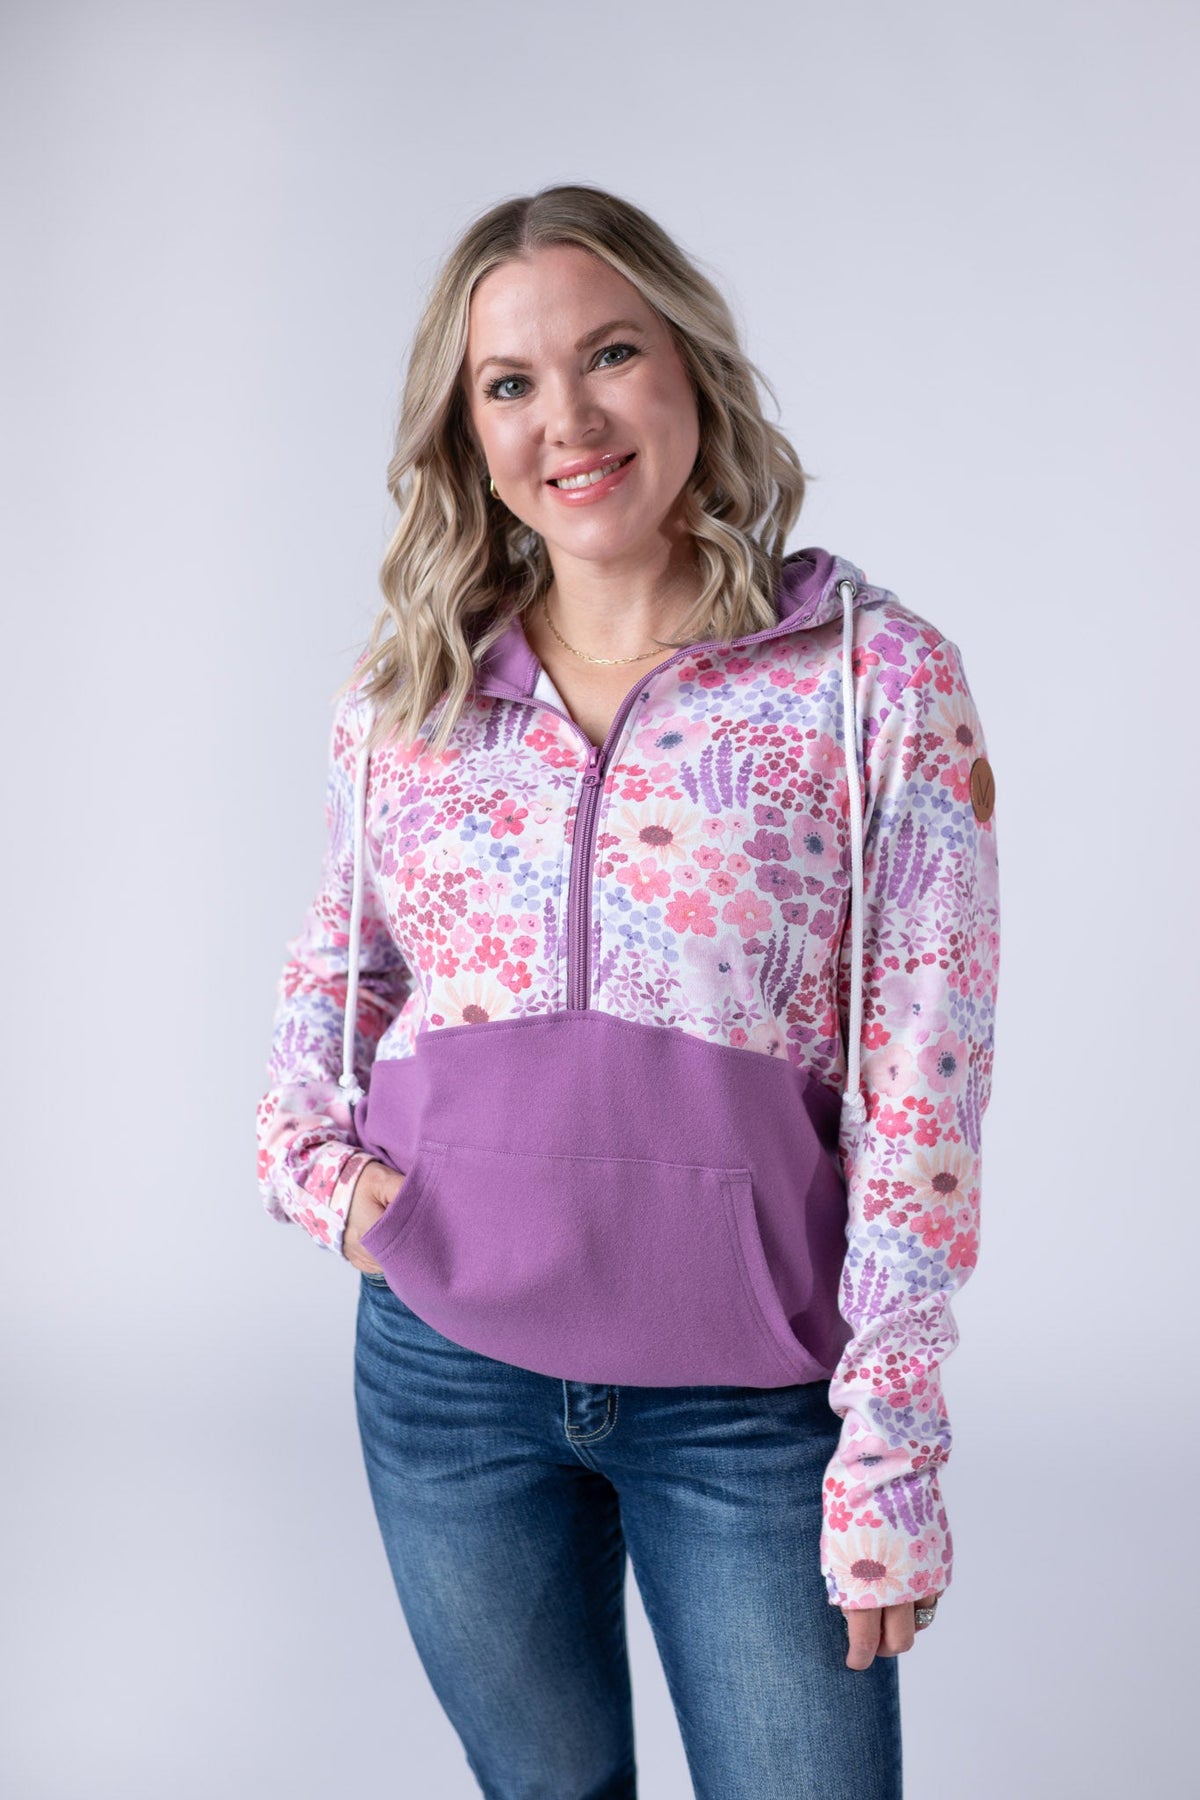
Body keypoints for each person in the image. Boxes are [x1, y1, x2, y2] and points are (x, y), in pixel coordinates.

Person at [255, 182, 1000, 1800]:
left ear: (689, 369)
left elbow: (925, 1075)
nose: (569, 421)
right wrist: (314, 1170)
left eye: (610, 354)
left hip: (749, 1399)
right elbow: (340, 971)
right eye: (510, 383)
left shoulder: (872, 677)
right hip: (448, 1375)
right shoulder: (409, 693)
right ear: (469, 435)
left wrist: (890, 1436)